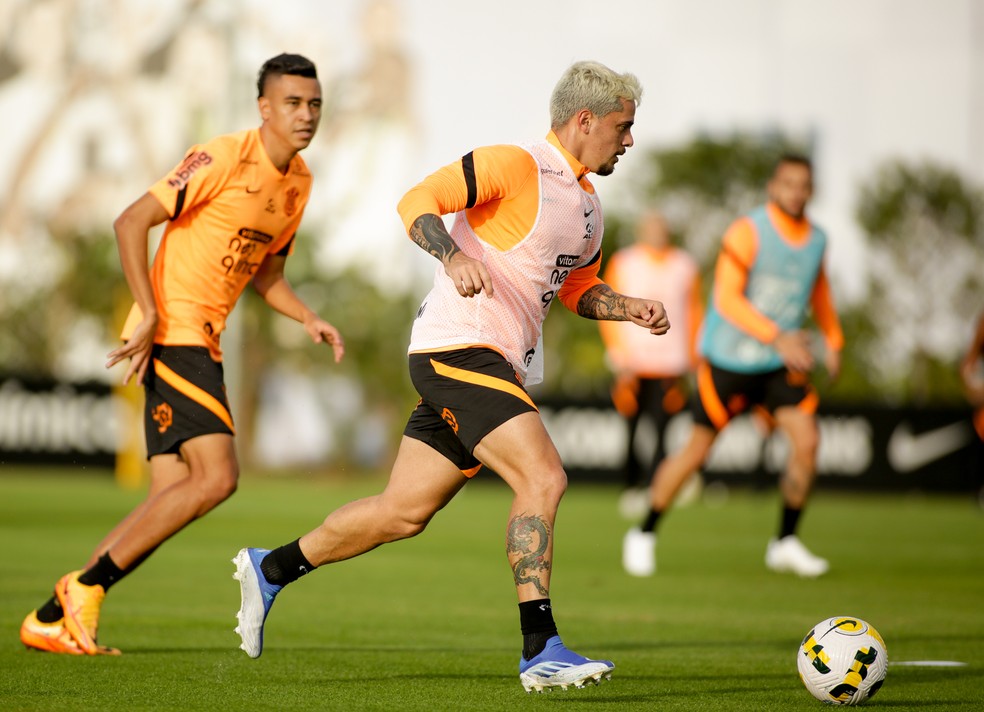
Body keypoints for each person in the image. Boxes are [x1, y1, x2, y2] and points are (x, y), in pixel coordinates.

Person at [232, 60, 668, 694]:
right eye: (623, 127)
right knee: (543, 475)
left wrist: (624, 306)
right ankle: (540, 646)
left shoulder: (590, 207)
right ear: (585, 120)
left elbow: (574, 286)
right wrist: (453, 252)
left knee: (401, 514)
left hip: (490, 361)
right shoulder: (515, 164)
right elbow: (416, 201)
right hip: (456, 350)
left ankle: (270, 567)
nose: (628, 140)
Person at [20, 53, 344, 656]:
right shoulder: (221, 156)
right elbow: (129, 221)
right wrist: (146, 310)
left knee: (169, 497)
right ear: (264, 107)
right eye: (294, 103)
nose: (306, 115)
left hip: (202, 338)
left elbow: (267, 276)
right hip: (172, 330)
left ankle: (52, 615)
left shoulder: (299, 184)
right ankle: (84, 586)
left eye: (315, 104)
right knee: (217, 477)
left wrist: (308, 316)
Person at [623, 154, 843, 578]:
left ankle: (785, 541)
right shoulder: (748, 232)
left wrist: (833, 340)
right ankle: (644, 531)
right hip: (728, 360)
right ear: (772, 187)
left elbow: (820, 293)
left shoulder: (817, 240)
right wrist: (776, 335)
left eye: (804, 185)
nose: (796, 192)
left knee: (808, 442)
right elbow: (726, 298)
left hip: (779, 363)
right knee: (696, 453)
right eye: (788, 183)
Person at [599, 210, 702, 517]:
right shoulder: (625, 261)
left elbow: (694, 312)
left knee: (662, 429)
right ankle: (630, 488)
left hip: (670, 363)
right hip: (633, 362)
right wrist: (617, 353)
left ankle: (656, 489)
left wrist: (694, 355)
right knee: (631, 428)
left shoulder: (685, 265)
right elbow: (609, 307)